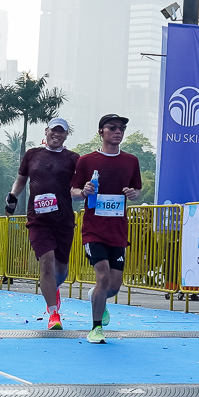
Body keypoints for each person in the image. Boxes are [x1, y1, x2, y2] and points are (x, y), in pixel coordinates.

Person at [71, 113, 143, 344]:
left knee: (112, 286)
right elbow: (73, 191)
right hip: (94, 230)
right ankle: (96, 328)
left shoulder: (131, 161)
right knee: (102, 276)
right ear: (101, 131)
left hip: (118, 231)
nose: (117, 131)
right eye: (112, 127)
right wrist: (83, 191)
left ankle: (96, 297)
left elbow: (137, 190)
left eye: (121, 128)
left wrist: (133, 194)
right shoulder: (87, 161)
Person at [8, 116, 81, 329]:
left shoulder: (74, 158)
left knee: (62, 269)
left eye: (61, 131)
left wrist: (82, 193)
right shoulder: (32, 155)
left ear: (66, 135)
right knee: (46, 263)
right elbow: (21, 179)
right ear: (46, 131)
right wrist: (13, 195)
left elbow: (77, 187)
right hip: (38, 219)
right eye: (53, 130)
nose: (56, 134)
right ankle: (53, 313)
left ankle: (53, 288)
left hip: (63, 219)